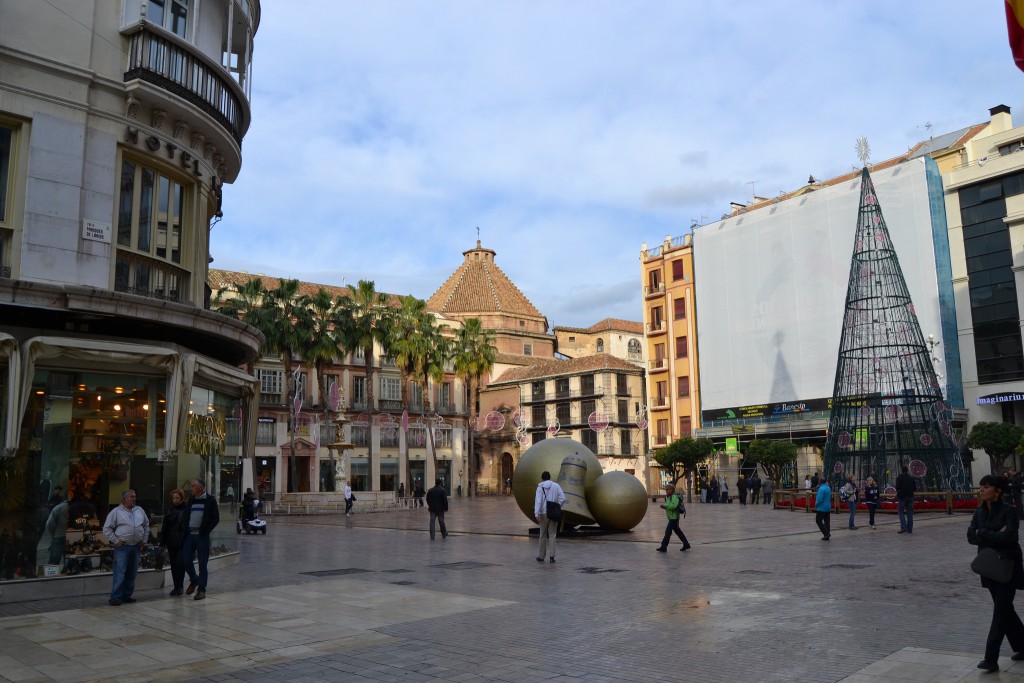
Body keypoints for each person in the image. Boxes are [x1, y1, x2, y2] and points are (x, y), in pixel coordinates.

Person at [968, 474, 1024, 672]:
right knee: (1005, 610)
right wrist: (993, 535)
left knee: (1000, 612)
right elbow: (970, 536)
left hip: (1007, 566)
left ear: (998, 491)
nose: (981, 490)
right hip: (988, 566)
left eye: (986, 486)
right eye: (981, 486)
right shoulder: (978, 512)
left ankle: (991, 658)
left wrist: (982, 534)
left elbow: (1009, 537)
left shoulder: (1009, 511)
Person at [102, 489, 149, 606]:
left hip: (136, 546)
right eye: (131, 497)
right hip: (122, 547)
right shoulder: (116, 512)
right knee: (120, 572)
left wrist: (144, 539)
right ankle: (115, 597)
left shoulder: (139, 510)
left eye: (135, 496)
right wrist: (116, 541)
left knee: (132, 572)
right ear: (124, 499)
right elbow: (107, 528)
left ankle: (127, 595)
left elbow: (146, 525)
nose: (134, 499)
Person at [182, 478, 219, 601]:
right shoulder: (191, 500)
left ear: (201, 487)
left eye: (193, 486)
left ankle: (201, 590)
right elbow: (187, 515)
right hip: (190, 535)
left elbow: (215, 518)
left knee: (203, 563)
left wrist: (205, 530)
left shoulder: (210, 500)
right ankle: (194, 580)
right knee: (186, 559)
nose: (191, 488)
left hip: (202, 536)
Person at [160, 488, 189, 596]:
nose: (175, 500)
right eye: (173, 498)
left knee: (180, 564)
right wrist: (162, 543)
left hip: (182, 542)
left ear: (182, 498)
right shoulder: (170, 511)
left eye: (177, 498)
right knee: (173, 565)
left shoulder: (186, 510)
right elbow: (165, 528)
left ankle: (179, 586)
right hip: (171, 541)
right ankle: (176, 587)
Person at [534, 471, 566, 564]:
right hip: (554, 513)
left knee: (542, 535)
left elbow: (538, 501)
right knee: (552, 535)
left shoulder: (540, 487)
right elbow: (563, 498)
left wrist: (537, 514)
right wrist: (558, 506)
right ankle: (552, 557)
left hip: (543, 513)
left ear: (542, 478)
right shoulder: (556, 486)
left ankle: (541, 556)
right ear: (550, 477)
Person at [656, 483, 691, 552]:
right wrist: (664, 506)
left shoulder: (674, 497)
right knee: (678, 532)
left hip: (674, 518)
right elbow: (669, 505)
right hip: (671, 517)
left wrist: (665, 507)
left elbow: (674, 506)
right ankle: (686, 544)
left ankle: (664, 546)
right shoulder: (668, 497)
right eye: (666, 489)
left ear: (672, 490)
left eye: (667, 489)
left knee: (667, 532)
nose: (666, 491)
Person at [44, 495, 69, 566]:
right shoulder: (70, 507)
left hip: (58, 535)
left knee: (54, 561)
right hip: (70, 536)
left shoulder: (58, 508)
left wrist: (53, 534)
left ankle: (52, 573)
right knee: (69, 559)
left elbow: (49, 524)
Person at [895, 465, 916, 534]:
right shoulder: (911, 478)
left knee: (901, 512)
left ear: (902, 470)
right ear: (907, 471)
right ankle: (910, 529)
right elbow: (914, 488)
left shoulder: (899, 478)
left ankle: (904, 527)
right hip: (910, 497)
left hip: (902, 497)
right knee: (910, 513)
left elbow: (897, 488)